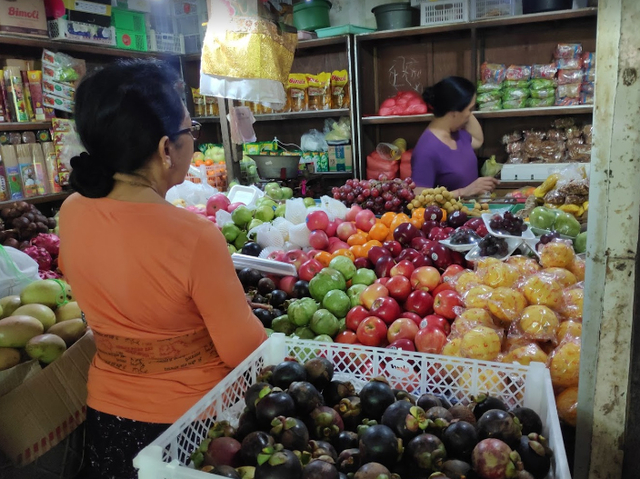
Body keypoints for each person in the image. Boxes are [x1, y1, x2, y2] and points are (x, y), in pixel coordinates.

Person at [58, 59, 267, 479]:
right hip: (187, 428)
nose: (192, 141)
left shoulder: (72, 211)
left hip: (108, 417)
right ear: (164, 149)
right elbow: (245, 352)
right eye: (190, 131)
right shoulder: (193, 237)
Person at [411, 76, 500, 197]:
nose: (470, 115)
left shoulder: (459, 134)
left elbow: (478, 140)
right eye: (469, 110)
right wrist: (464, 192)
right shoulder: (426, 149)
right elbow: (418, 198)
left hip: (471, 212)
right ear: (453, 112)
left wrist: (463, 104)